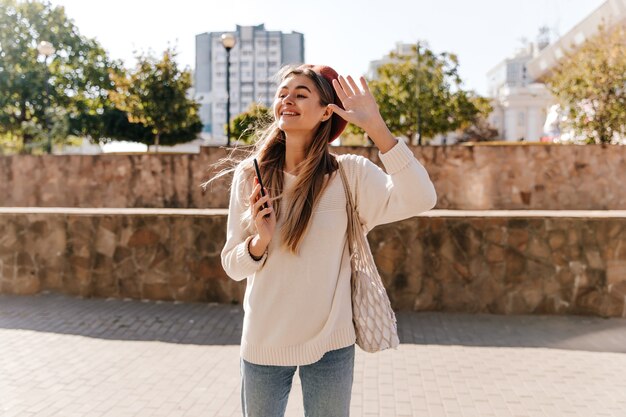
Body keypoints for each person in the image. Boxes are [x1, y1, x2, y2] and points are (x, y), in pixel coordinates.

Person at [217, 64, 437, 417]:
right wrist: (260, 241)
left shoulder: (349, 174)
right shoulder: (250, 175)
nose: (287, 100)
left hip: (331, 346)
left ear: (325, 113)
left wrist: (376, 127)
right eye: (283, 93)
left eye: (301, 94)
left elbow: (421, 198)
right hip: (263, 343)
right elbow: (232, 265)